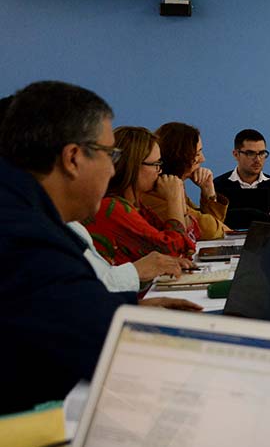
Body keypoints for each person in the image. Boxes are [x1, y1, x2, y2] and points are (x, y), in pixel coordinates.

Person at [0, 81, 199, 415]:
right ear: (73, 158)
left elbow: (61, 309)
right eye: (111, 155)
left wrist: (125, 310)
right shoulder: (27, 236)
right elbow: (104, 349)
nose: (113, 168)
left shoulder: (24, 211)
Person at [86, 126, 197, 266]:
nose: (160, 170)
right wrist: (174, 199)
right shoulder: (113, 207)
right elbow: (172, 253)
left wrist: (179, 195)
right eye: (156, 164)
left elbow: (190, 242)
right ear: (133, 166)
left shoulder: (138, 206)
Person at [142, 122, 229, 240]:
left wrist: (208, 192)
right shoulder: (159, 191)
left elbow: (213, 230)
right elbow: (210, 231)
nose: (203, 159)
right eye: (197, 154)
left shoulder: (175, 183)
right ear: (179, 157)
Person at [213, 128, 270, 229]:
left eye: (262, 153)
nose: (257, 159)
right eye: (251, 153)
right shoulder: (218, 185)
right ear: (236, 155)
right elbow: (214, 223)